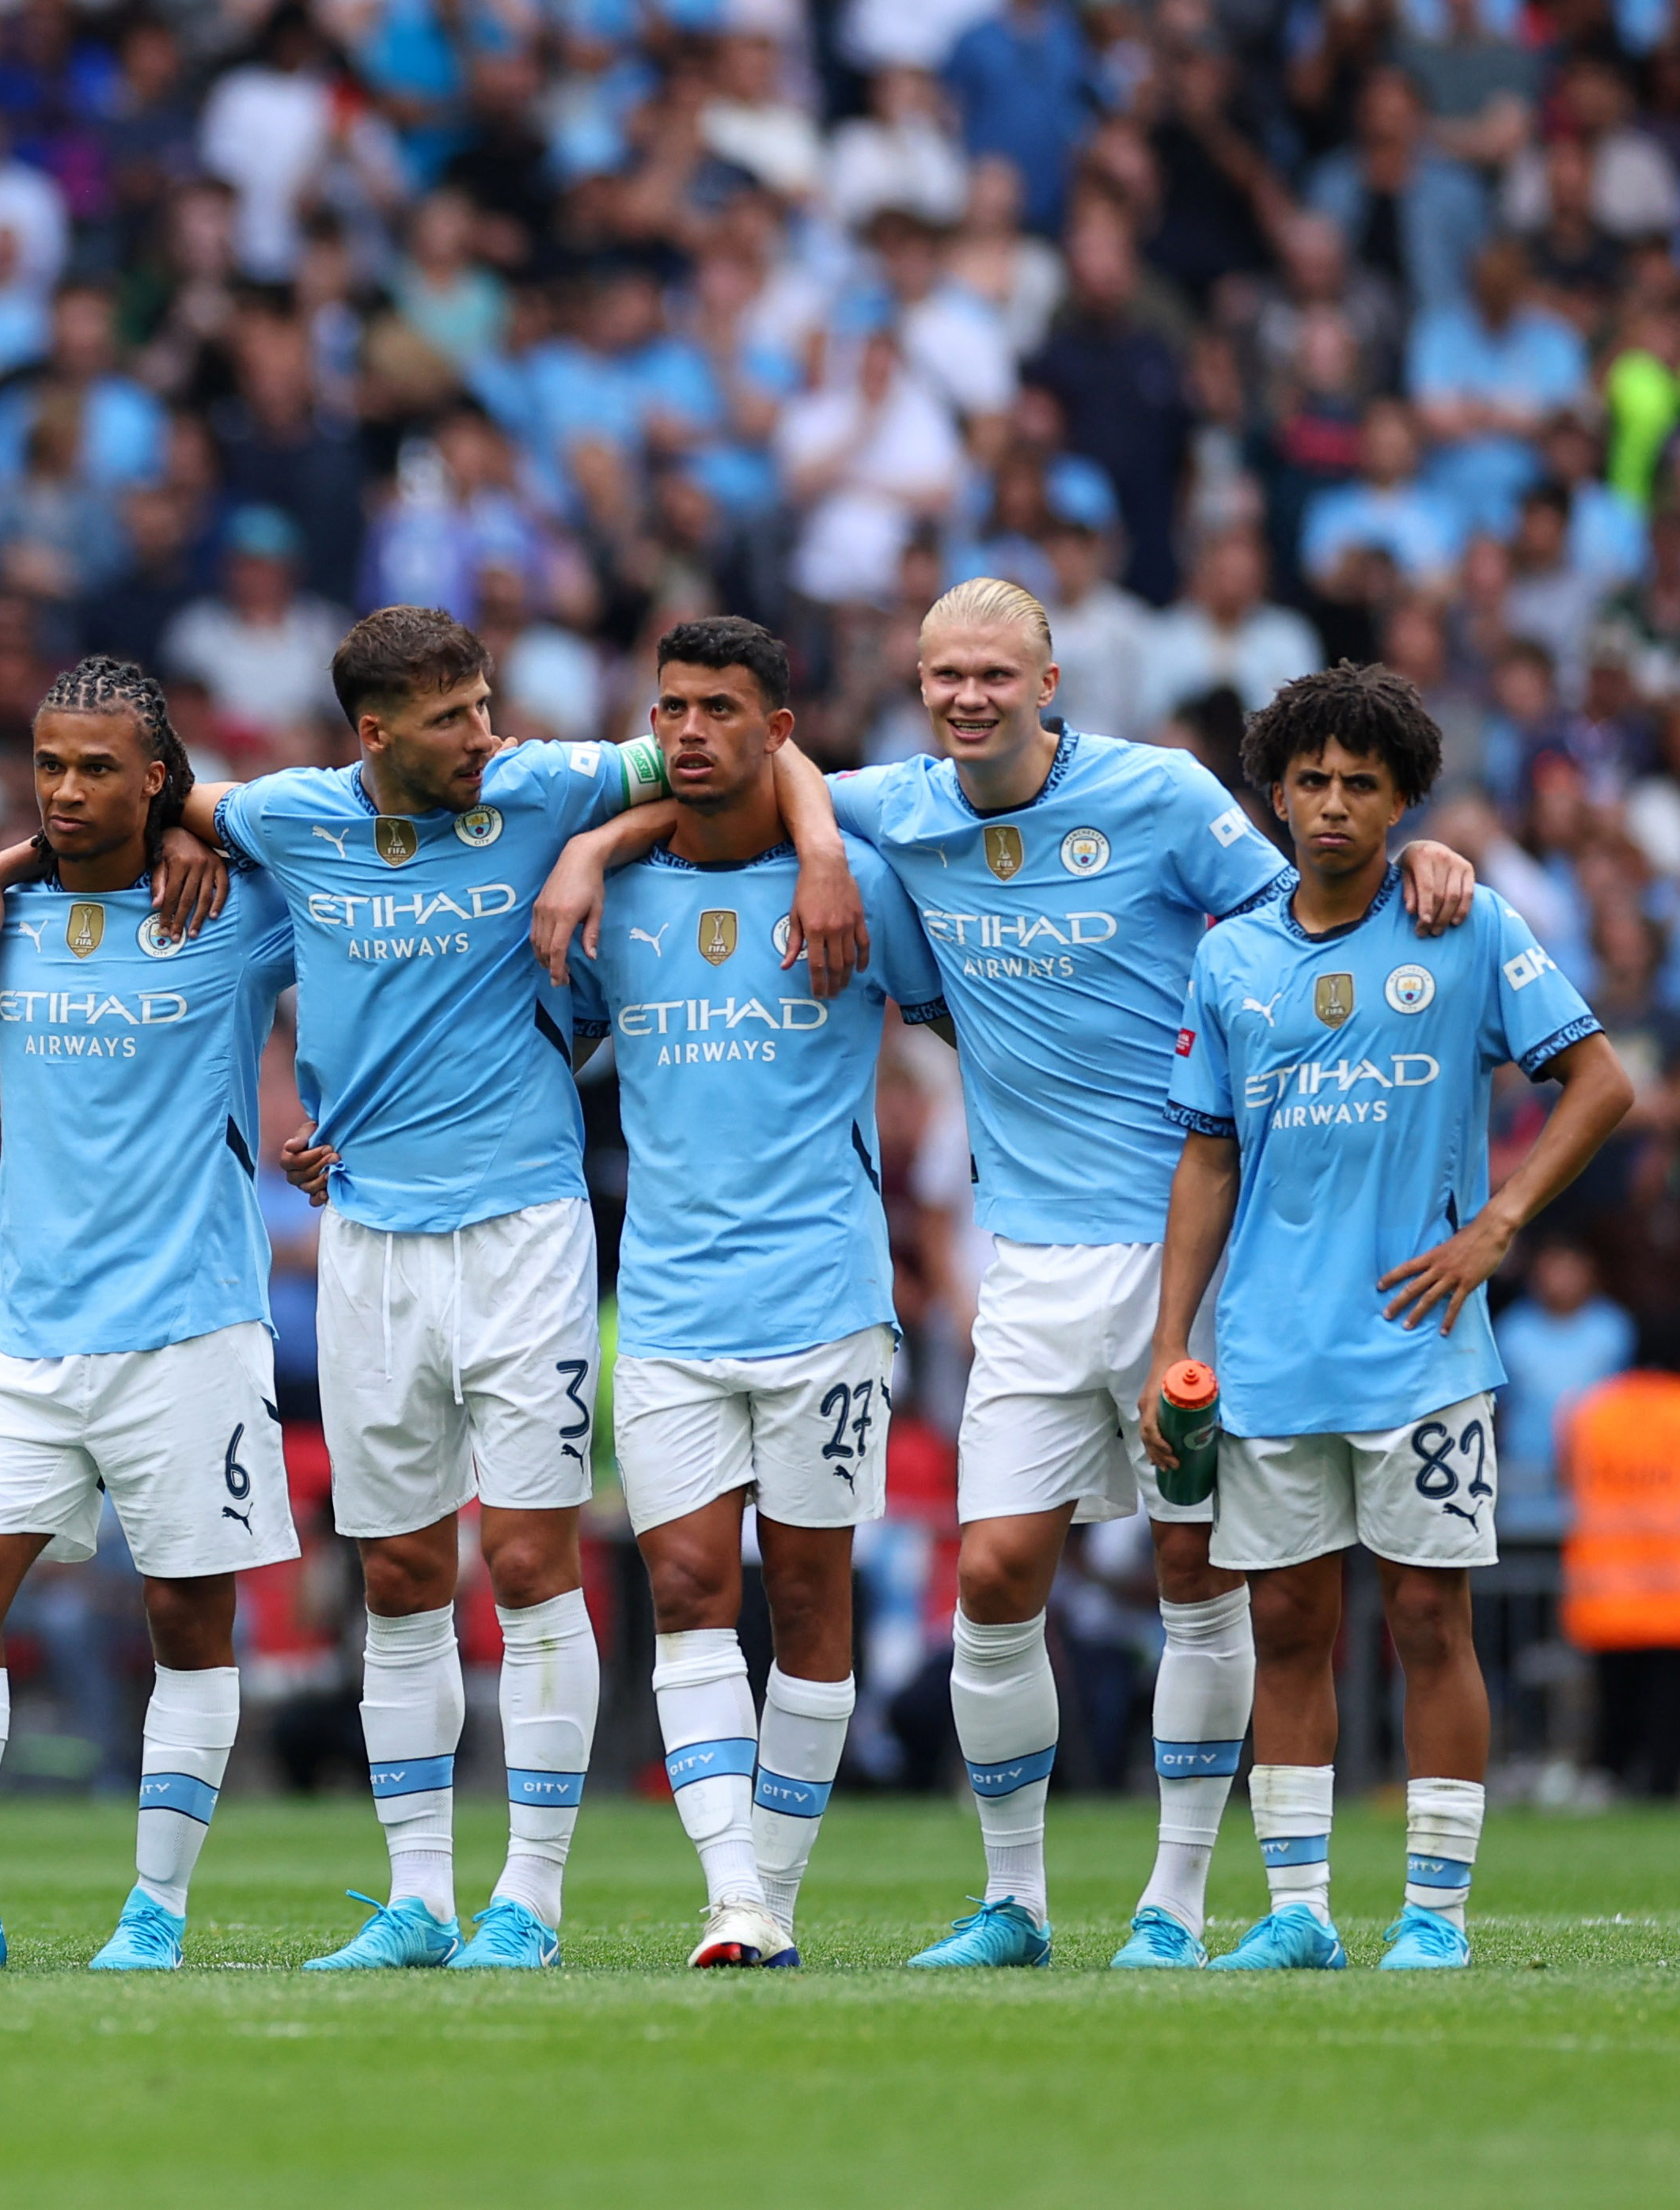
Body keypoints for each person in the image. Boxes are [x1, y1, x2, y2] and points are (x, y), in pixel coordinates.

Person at [556, 578, 1478, 1970]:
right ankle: (1016, 1901)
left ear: (1050, 684)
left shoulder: (1160, 795)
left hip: (1186, 1245)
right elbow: (749, 772)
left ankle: (1173, 1902)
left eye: (996, 674)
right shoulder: (901, 807)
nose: (969, 697)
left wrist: (1424, 861)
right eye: (946, 676)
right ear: (920, 686)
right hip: (1032, 1259)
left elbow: (1304, 910)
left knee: (1194, 1573)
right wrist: (614, 845)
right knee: (991, 1577)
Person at [0, 604, 858, 1972]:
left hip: (524, 1229)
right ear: (375, 734)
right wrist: (0, 868)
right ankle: (421, 1897)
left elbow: (743, 754)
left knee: (530, 1560)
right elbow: (131, 800)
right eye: (452, 721)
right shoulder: (291, 819)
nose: (484, 737)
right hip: (370, 1237)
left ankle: (530, 1900)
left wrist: (620, 849)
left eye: (486, 706)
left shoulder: (541, 787)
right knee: (397, 1573)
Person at [1145, 661, 1631, 1969]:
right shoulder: (1230, 956)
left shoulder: (1463, 923)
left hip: (1423, 1351)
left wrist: (1500, 1221)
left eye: (1363, 784)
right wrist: (1173, 1339)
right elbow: (1206, 1158)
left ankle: (1435, 1915)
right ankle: (1298, 1911)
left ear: (1403, 799)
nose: (1333, 804)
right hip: (1270, 1350)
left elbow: (1600, 1081)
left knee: (1429, 1620)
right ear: (1275, 795)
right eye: (1311, 780)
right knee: (1289, 1627)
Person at [0, 658, 297, 1972]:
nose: (68, 789)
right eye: (50, 765)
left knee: (186, 1618)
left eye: (99, 767)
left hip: (191, 1328)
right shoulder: (2, 913)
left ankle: (157, 1910)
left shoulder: (235, 908)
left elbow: (346, 855)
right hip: (32, 1338)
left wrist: (193, 826)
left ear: (158, 778)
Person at [568, 620, 950, 1969]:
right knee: (683, 1584)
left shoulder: (859, 886)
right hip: (669, 1306)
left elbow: (967, 1020)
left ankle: (772, 1892)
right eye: (672, 706)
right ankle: (734, 1894)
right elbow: (525, 1050)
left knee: (808, 1602)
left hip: (825, 1300)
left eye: (722, 708)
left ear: (778, 731)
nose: (690, 730)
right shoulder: (613, 895)